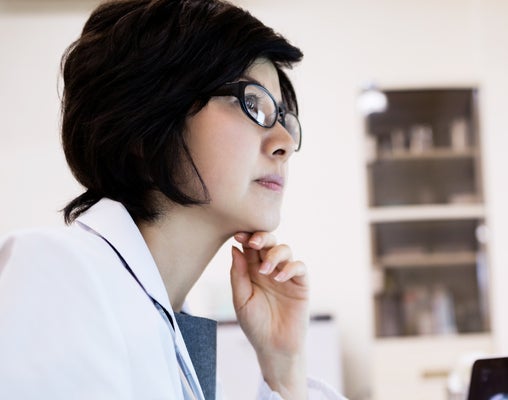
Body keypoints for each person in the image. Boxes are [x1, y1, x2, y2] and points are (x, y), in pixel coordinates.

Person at [0, 1, 344, 399]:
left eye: (284, 117)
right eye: (252, 103)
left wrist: (285, 372)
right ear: (147, 124)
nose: (284, 142)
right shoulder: (56, 272)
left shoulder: (159, 321)